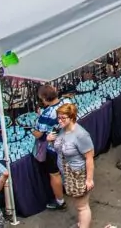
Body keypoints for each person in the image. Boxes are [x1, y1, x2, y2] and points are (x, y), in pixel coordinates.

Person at [51, 102, 95, 228]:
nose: (59, 121)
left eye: (63, 118)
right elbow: (59, 148)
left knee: (82, 206)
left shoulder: (81, 135)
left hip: (78, 174)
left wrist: (89, 179)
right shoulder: (62, 130)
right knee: (78, 204)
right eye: (58, 117)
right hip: (67, 173)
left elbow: (89, 158)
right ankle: (81, 223)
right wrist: (50, 141)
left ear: (72, 117)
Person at [31, 83, 69, 211]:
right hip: (69, 141)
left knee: (55, 174)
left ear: (45, 98)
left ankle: (60, 201)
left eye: (41, 99)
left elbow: (38, 133)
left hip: (54, 147)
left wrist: (32, 129)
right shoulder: (67, 101)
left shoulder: (46, 114)